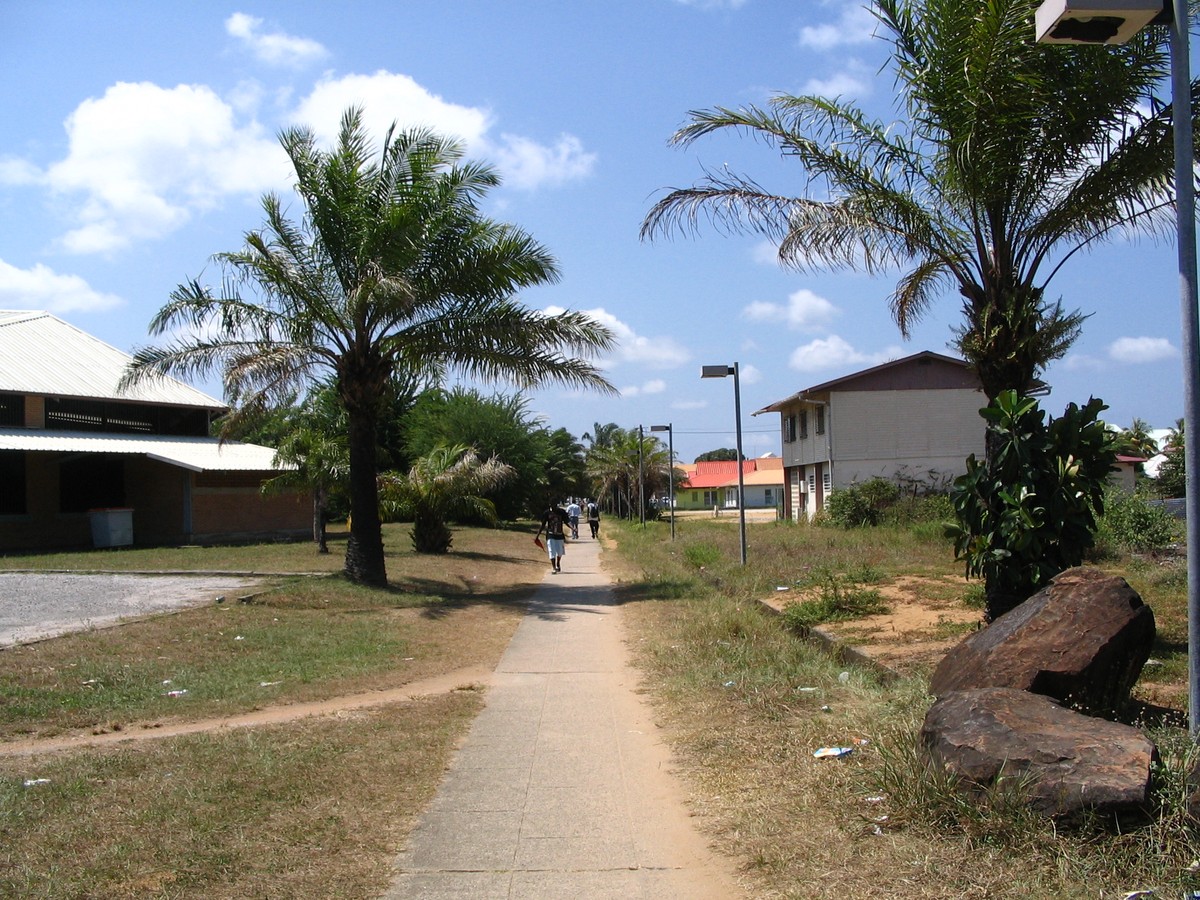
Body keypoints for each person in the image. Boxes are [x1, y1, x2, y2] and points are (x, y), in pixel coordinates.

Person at [535, 500, 570, 573]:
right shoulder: (547, 513)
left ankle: (558, 563)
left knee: (560, 552)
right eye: (551, 505)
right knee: (551, 551)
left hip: (560, 535)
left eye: (554, 504)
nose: (553, 506)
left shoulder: (562, 512)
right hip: (550, 535)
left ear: (556, 504)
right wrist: (537, 535)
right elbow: (543, 525)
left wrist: (573, 528)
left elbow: (566, 522)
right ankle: (554, 567)